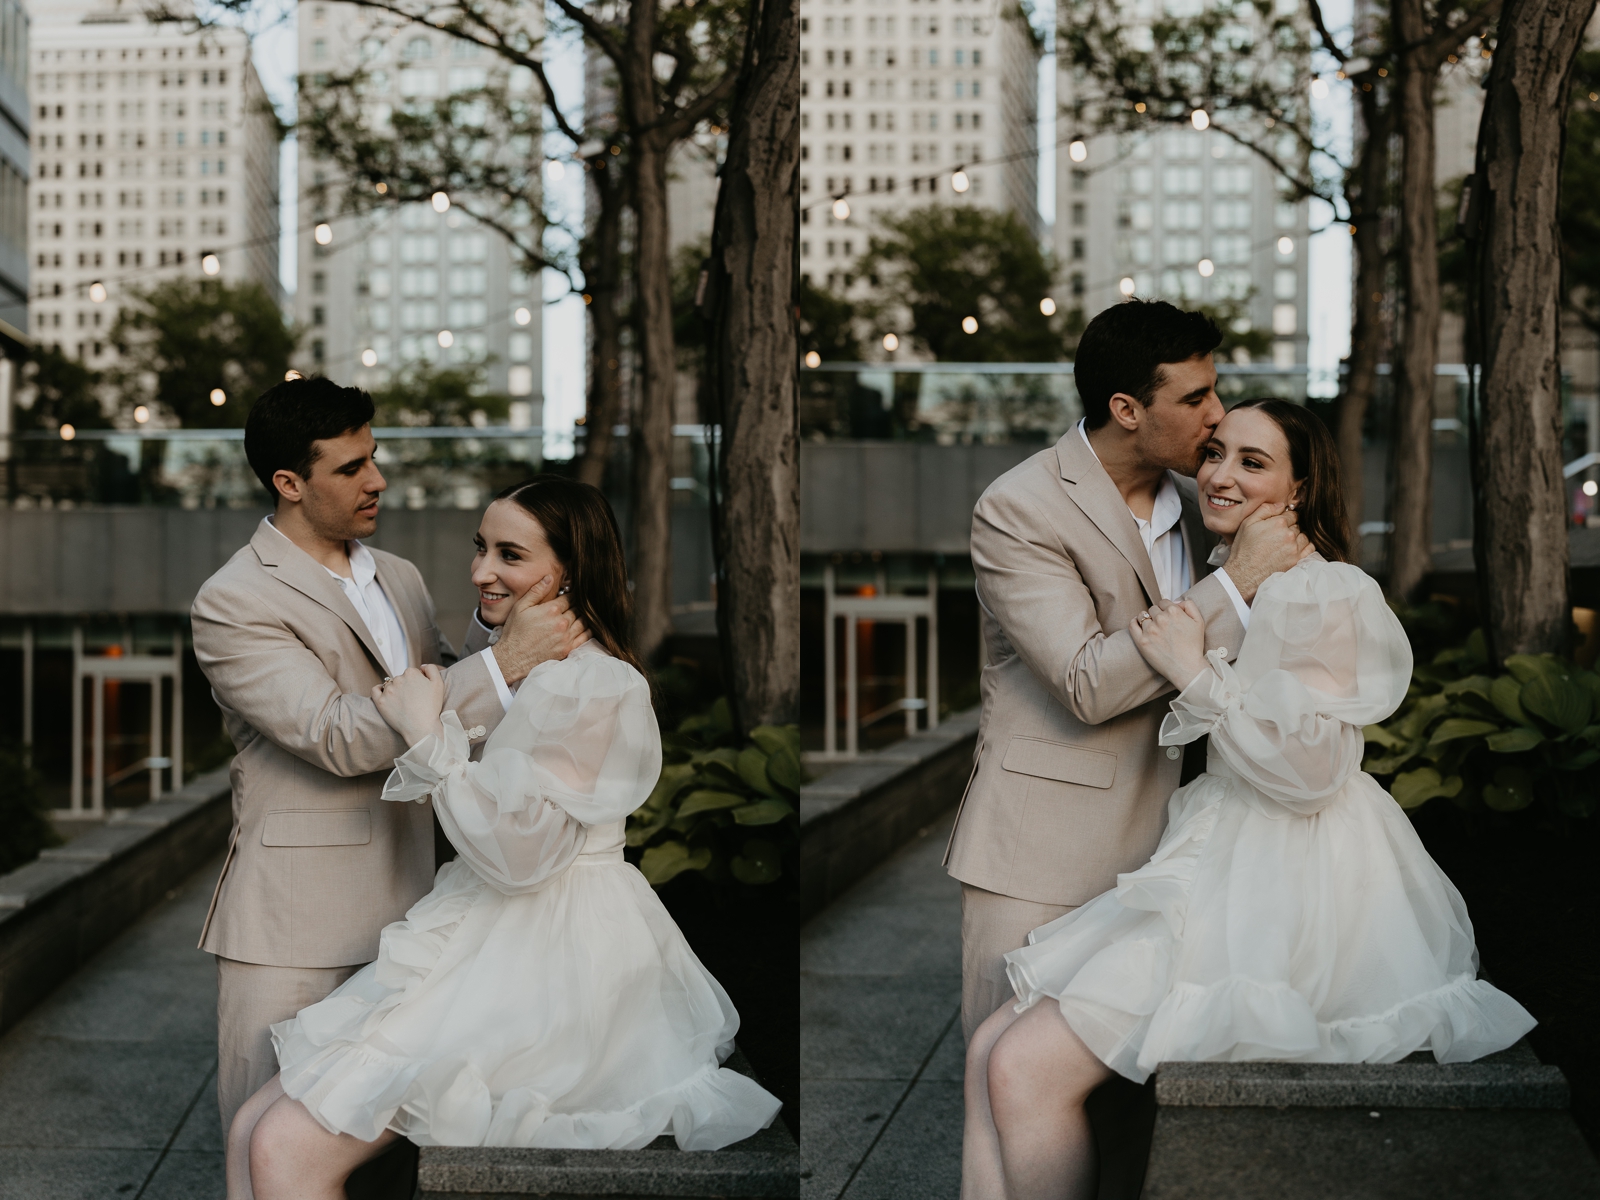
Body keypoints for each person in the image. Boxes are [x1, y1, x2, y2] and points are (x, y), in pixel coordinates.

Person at [962, 400, 1537, 1200]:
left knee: (1024, 1066)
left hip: (1282, 874)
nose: (1221, 475)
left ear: (1300, 490)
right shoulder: (1239, 573)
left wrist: (1194, 674)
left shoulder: (1323, 590)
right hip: (1215, 839)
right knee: (993, 1045)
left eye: (1254, 462)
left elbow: (1314, 772)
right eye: (1217, 453)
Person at [226, 476, 783, 1200]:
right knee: (249, 1130)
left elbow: (524, 857)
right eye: (481, 548)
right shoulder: (522, 668)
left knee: (284, 1148)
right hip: (479, 927)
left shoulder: (593, 683)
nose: (482, 571)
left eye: (510, 555)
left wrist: (428, 734)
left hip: (546, 950)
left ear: (569, 572)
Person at [191, 378, 585, 1168]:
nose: (377, 480)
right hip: (295, 931)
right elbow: (338, 736)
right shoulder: (232, 600)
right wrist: (507, 660)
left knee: (382, 1164)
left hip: (417, 910)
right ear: (289, 483)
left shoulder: (397, 575)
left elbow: (446, 701)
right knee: (272, 1154)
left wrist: (501, 635)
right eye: (351, 468)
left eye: (375, 457)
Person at [944, 300, 1309, 1046]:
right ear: (1126, 409)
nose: (1218, 414)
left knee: (1132, 1105)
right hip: (1043, 855)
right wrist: (1234, 585)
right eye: (1194, 398)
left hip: (1181, 851)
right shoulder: (1019, 507)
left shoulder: (1204, 502)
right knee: (1004, 1074)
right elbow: (1087, 683)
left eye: (1217, 389)